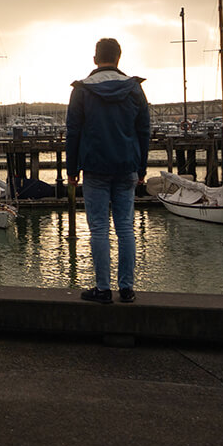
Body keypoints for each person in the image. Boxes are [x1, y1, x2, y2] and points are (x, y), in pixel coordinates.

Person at [65, 38, 150, 304]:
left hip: (95, 167)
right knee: (125, 227)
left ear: (95, 59)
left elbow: (73, 132)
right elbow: (144, 131)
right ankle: (127, 288)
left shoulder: (82, 90)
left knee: (99, 228)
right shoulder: (134, 88)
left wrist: (71, 169)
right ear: (118, 58)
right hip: (127, 166)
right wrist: (142, 167)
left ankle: (103, 289)